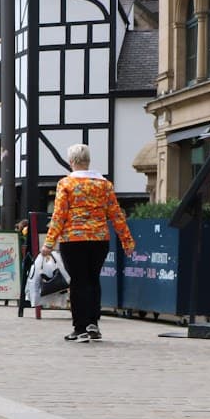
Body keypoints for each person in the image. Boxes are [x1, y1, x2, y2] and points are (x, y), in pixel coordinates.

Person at [40, 143, 135, 343]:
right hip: (99, 239)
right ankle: (93, 324)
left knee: (78, 282)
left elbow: (59, 216)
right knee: (93, 280)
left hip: (73, 239)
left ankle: (80, 327)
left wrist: (49, 242)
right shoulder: (104, 185)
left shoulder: (66, 184)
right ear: (88, 161)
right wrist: (127, 241)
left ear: (71, 162)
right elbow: (116, 215)